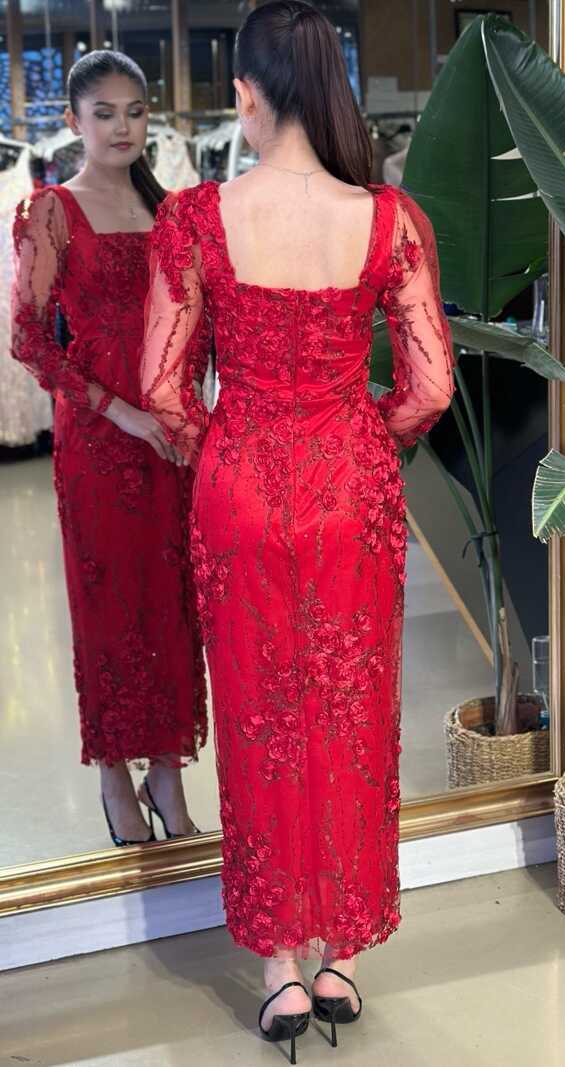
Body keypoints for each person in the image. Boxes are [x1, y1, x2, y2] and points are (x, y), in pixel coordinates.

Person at [141, 1, 454, 1059]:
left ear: (245, 93)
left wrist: (225, 448)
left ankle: (278, 967)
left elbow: (162, 387)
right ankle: (339, 958)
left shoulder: (194, 218)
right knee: (351, 711)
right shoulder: (390, 218)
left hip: (240, 487)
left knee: (260, 713)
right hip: (349, 487)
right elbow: (428, 387)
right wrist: (359, 440)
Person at [11, 51, 207, 847]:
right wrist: (118, 410)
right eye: (104, 113)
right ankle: (114, 775)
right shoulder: (52, 210)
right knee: (110, 608)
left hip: (173, 437)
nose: (123, 126)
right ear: (73, 122)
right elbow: (28, 339)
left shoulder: (174, 210)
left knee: (172, 605)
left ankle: (168, 771)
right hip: (99, 442)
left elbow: (198, 319)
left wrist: (189, 409)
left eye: (135, 111)